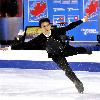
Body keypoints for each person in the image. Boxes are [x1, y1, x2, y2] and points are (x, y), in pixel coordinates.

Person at [1, 15, 92, 93]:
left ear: (50, 25)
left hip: (65, 49)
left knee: (79, 50)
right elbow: (26, 44)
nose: (46, 28)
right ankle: (77, 83)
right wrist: (9, 47)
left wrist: (83, 20)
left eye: (47, 25)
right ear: (40, 27)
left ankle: (86, 50)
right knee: (67, 70)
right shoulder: (40, 38)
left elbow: (70, 26)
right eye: (43, 26)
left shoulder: (56, 31)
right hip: (55, 55)